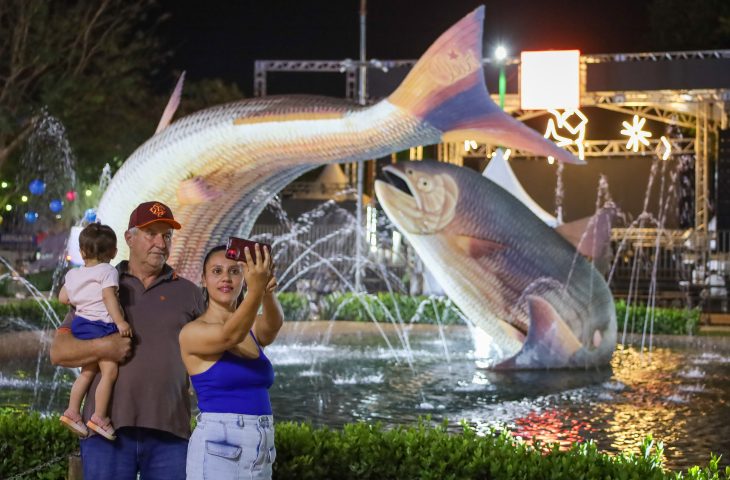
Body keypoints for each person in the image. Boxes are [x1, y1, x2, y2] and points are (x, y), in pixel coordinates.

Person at [50, 201, 205, 480]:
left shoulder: (189, 292)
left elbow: (213, 350)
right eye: (151, 234)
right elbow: (59, 352)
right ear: (129, 238)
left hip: (170, 433)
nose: (161, 242)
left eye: (167, 235)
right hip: (105, 432)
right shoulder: (99, 281)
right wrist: (104, 346)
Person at [180, 243, 283, 480]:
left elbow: (271, 327)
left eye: (235, 271)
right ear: (203, 280)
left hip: (261, 449)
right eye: (216, 271)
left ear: (243, 277)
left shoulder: (251, 329)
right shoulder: (192, 332)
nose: (226, 278)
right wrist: (255, 291)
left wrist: (266, 291)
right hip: (219, 447)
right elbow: (229, 335)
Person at [58, 223, 132, 440]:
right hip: (102, 326)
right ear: (114, 252)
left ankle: (72, 411)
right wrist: (121, 323)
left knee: (88, 372)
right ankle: (99, 417)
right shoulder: (108, 271)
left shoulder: (73, 274)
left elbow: (63, 298)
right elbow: (109, 298)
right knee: (109, 372)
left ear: (82, 252)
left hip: (81, 325)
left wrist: (82, 297)